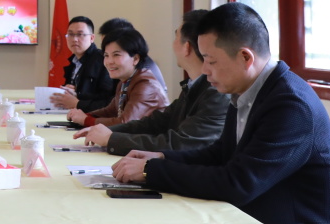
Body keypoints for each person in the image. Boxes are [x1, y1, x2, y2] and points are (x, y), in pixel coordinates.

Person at [112, 2, 330, 224]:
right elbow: (220, 154)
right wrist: (161, 157)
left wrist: (151, 171)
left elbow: (238, 183)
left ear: (246, 57)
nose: (205, 70)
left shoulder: (290, 105)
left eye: (211, 61)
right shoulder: (247, 90)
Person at [73, 10, 229, 155]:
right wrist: (109, 131)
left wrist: (110, 138)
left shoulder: (215, 93)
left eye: (175, 37)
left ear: (186, 47)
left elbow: (180, 144)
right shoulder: (192, 85)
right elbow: (157, 122)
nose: (109, 61)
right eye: (106, 55)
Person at [66, 27, 169, 128]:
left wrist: (85, 120)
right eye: (106, 55)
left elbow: (126, 124)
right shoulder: (125, 81)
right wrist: (83, 115)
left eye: (116, 55)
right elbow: (110, 112)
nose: (109, 61)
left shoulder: (145, 85)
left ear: (135, 59)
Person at [49, 16, 114, 111]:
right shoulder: (73, 61)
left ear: (92, 38)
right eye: (70, 34)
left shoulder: (103, 61)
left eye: (80, 34)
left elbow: (107, 99)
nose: (74, 39)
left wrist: (78, 96)